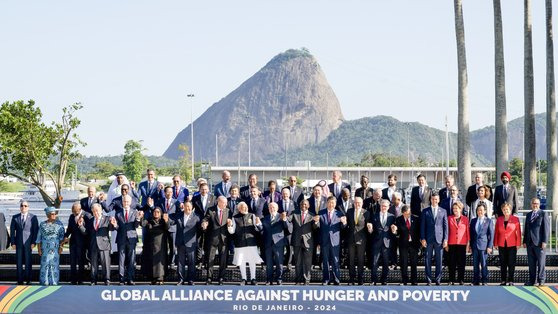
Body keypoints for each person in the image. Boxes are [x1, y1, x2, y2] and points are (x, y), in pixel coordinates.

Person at [79, 203, 117, 285]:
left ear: (101, 211)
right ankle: (93, 280)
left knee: (105, 263)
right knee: (93, 264)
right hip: (93, 245)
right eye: (93, 211)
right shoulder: (90, 220)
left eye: (97, 211)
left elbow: (112, 228)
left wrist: (114, 224)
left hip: (104, 245)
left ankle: (107, 280)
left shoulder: (107, 218)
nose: (95, 213)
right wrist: (81, 226)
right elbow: (86, 232)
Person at [228, 202, 263, 285]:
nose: (245, 208)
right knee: (241, 261)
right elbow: (232, 231)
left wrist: (258, 223)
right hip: (240, 243)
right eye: (243, 207)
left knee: (252, 261)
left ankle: (253, 278)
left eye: (246, 207)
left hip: (251, 242)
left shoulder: (252, 216)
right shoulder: (235, 218)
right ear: (239, 209)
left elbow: (259, 229)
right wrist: (229, 226)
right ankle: (244, 279)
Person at [315, 196, 347, 285]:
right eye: (329, 202)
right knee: (325, 261)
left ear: (335, 204)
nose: (331, 204)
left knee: (335, 261)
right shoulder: (321, 213)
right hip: (324, 241)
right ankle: (326, 279)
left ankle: (336, 279)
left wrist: (344, 223)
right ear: (327, 203)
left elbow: (343, 228)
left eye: (333, 203)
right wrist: (316, 222)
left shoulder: (339, 214)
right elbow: (317, 228)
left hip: (335, 241)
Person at [201, 196, 231, 285]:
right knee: (210, 258)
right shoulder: (211, 210)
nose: (226, 204)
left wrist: (230, 223)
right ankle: (209, 278)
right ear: (219, 202)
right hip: (212, 238)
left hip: (224, 239)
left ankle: (221, 277)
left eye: (226, 203)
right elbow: (205, 219)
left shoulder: (228, 211)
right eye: (224, 203)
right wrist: (204, 223)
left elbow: (230, 221)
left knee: (223, 259)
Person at [420, 192, 448, 285]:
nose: (434, 201)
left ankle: (438, 279)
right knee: (427, 259)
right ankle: (428, 279)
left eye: (436, 199)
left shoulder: (443, 211)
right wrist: (423, 238)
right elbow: (422, 226)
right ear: (430, 200)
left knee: (439, 260)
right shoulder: (425, 211)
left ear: (438, 200)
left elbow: (445, 227)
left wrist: (445, 239)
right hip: (428, 239)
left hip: (439, 239)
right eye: (432, 199)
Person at [114, 195, 143, 285]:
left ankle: (130, 278)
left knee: (131, 259)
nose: (126, 203)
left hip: (132, 238)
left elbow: (136, 225)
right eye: (124, 201)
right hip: (121, 238)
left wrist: (138, 218)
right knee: (121, 260)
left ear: (130, 202)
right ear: (122, 202)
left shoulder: (135, 212)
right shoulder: (118, 213)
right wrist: (115, 226)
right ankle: (121, 279)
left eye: (127, 202)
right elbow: (118, 227)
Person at [262, 202, 292, 285]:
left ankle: (279, 279)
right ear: (268, 209)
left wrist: (285, 219)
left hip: (278, 243)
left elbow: (287, 227)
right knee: (269, 263)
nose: (272, 209)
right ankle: (269, 279)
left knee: (279, 262)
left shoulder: (281, 216)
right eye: (270, 207)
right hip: (268, 243)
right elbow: (262, 229)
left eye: (274, 207)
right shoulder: (266, 218)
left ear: (277, 208)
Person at [170, 201, 200, 286]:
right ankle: (181, 279)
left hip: (191, 243)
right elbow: (171, 221)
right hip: (180, 242)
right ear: (184, 207)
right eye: (186, 206)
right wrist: (166, 219)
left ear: (192, 207)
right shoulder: (179, 215)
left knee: (192, 262)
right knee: (180, 262)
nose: (188, 208)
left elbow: (201, 229)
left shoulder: (196, 217)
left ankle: (191, 280)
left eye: (189, 206)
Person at [289, 200, 318, 285]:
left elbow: (315, 228)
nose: (303, 205)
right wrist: (284, 218)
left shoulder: (312, 215)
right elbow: (287, 220)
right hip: (297, 241)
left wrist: (316, 222)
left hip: (308, 242)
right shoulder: (294, 214)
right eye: (302, 204)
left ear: (308, 205)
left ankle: (307, 280)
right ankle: (298, 279)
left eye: (305, 204)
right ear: (299, 205)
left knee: (308, 262)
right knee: (297, 262)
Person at [10, 200, 39, 285]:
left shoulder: (33, 217)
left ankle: (28, 279)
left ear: (28, 207)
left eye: (25, 206)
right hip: (18, 243)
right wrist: (13, 243)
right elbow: (12, 231)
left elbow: (35, 231)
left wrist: (34, 242)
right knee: (19, 262)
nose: (23, 207)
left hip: (29, 243)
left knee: (28, 261)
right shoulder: (15, 217)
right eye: (22, 206)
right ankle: (20, 280)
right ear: (20, 207)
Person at [64, 202, 92, 285]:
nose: (73, 213)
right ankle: (73, 279)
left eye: (75, 211)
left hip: (83, 243)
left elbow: (88, 232)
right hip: (73, 242)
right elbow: (69, 229)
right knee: (72, 261)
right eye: (72, 211)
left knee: (81, 262)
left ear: (80, 210)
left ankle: (80, 279)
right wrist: (66, 236)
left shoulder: (87, 216)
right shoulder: (72, 216)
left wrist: (81, 226)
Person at [523, 197, 550, 286]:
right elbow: (526, 228)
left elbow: (546, 229)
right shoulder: (528, 215)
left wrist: (545, 241)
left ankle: (541, 280)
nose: (535, 205)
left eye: (537, 203)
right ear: (531, 205)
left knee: (541, 263)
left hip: (539, 243)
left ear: (539, 204)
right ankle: (532, 280)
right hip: (529, 242)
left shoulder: (543, 214)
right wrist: (524, 241)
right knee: (531, 263)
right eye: (534, 203)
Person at [35, 206, 65, 286]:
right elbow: (39, 237)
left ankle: (54, 282)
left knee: (54, 265)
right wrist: (39, 249)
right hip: (45, 248)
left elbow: (62, 237)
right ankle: (44, 281)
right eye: (52, 214)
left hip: (55, 248)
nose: (54, 215)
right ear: (48, 215)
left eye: (55, 214)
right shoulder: (42, 224)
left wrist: (61, 248)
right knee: (45, 264)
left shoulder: (60, 224)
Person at [494, 202, 521, 286]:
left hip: (512, 244)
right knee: (503, 263)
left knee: (511, 263)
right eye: (504, 209)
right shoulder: (499, 219)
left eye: (507, 209)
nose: (506, 211)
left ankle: (511, 280)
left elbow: (519, 232)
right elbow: (496, 233)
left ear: (510, 210)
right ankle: (503, 280)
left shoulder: (515, 219)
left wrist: (518, 243)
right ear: (502, 210)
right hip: (501, 244)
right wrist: (495, 243)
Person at [142, 207, 169, 285]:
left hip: (161, 246)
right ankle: (153, 278)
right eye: (154, 212)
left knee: (160, 263)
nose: (156, 213)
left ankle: (160, 278)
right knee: (151, 263)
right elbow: (142, 224)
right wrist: (141, 217)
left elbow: (167, 227)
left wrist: (166, 220)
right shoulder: (149, 221)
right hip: (151, 246)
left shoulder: (163, 221)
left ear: (160, 213)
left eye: (158, 212)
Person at [346, 197, 370, 285]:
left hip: (361, 240)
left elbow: (369, 227)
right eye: (356, 203)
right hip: (351, 239)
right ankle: (351, 279)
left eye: (359, 203)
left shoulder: (366, 213)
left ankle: (360, 279)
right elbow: (346, 225)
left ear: (362, 203)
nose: (357, 204)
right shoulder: (349, 211)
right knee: (351, 260)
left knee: (361, 260)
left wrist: (370, 229)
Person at [394, 205, 420, 285]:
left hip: (414, 244)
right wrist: (395, 231)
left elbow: (418, 231)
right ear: (402, 213)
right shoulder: (399, 219)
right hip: (403, 244)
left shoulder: (416, 218)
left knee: (414, 263)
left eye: (409, 213)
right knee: (403, 263)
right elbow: (397, 232)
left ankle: (414, 280)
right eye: (406, 214)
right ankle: (404, 280)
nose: (408, 215)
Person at [371, 199, 395, 285]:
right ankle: (374, 280)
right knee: (374, 262)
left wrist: (394, 230)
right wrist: (370, 229)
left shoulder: (392, 217)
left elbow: (394, 231)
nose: (383, 207)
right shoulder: (374, 215)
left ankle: (384, 280)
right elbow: (371, 230)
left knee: (386, 262)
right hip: (376, 242)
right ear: (380, 206)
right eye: (382, 206)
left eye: (385, 206)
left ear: (388, 207)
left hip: (387, 243)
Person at [469, 203, 494, 286]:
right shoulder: (473, 221)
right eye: (478, 210)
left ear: (485, 211)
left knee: (484, 264)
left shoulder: (489, 221)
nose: (480, 212)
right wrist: (470, 246)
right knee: (475, 265)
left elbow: (491, 235)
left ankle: (484, 280)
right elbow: (471, 234)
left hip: (484, 246)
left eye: (481, 210)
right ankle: (476, 280)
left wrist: (490, 246)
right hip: (475, 246)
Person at [157, 186, 180, 274]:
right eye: (167, 192)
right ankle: (164, 263)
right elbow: (157, 212)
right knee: (163, 247)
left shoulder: (176, 202)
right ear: (164, 193)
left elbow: (178, 215)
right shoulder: (160, 201)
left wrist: (169, 221)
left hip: (172, 227)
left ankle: (172, 263)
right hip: (162, 228)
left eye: (171, 192)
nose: (169, 193)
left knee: (173, 247)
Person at [446, 201, 469, 285]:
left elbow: (467, 232)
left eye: (456, 208)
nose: (455, 210)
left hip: (462, 244)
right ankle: (451, 279)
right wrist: (446, 243)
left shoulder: (465, 219)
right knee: (451, 262)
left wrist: (468, 244)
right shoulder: (449, 218)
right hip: (451, 243)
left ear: (460, 209)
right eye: (453, 208)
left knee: (461, 263)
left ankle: (461, 279)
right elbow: (447, 231)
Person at [277, 187, 295, 270]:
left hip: (289, 228)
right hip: (279, 228)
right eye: (283, 194)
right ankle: (279, 263)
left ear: (289, 194)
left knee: (289, 247)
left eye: (287, 194)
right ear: (281, 194)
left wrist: (286, 218)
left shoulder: (294, 204)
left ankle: (289, 263)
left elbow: (295, 215)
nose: (285, 195)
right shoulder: (277, 203)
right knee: (279, 247)